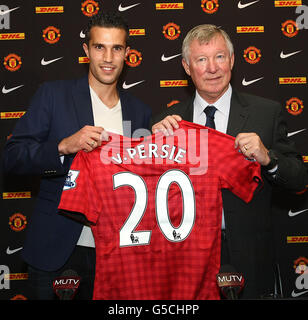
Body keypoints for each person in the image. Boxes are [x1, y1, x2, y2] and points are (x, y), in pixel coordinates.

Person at [3, 11, 152, 300]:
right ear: (86, 51)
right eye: (100, 47)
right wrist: (62, 147)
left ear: (127, 54)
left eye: (116, 48)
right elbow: (12, 156)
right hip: (55, 250)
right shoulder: (53, 95)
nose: (108, 57)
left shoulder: (139, 111)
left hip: (117, 253)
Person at [151, 24, 307, 299]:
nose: (212, 68)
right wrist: (154, 149)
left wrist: (268, 158)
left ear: (232, 60)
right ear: (187, 67)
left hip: (250, 256)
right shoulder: (169, 122)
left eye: (220, 57)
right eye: (201, 59)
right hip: (187, 257)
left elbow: (298, 178)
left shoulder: (266, 113)